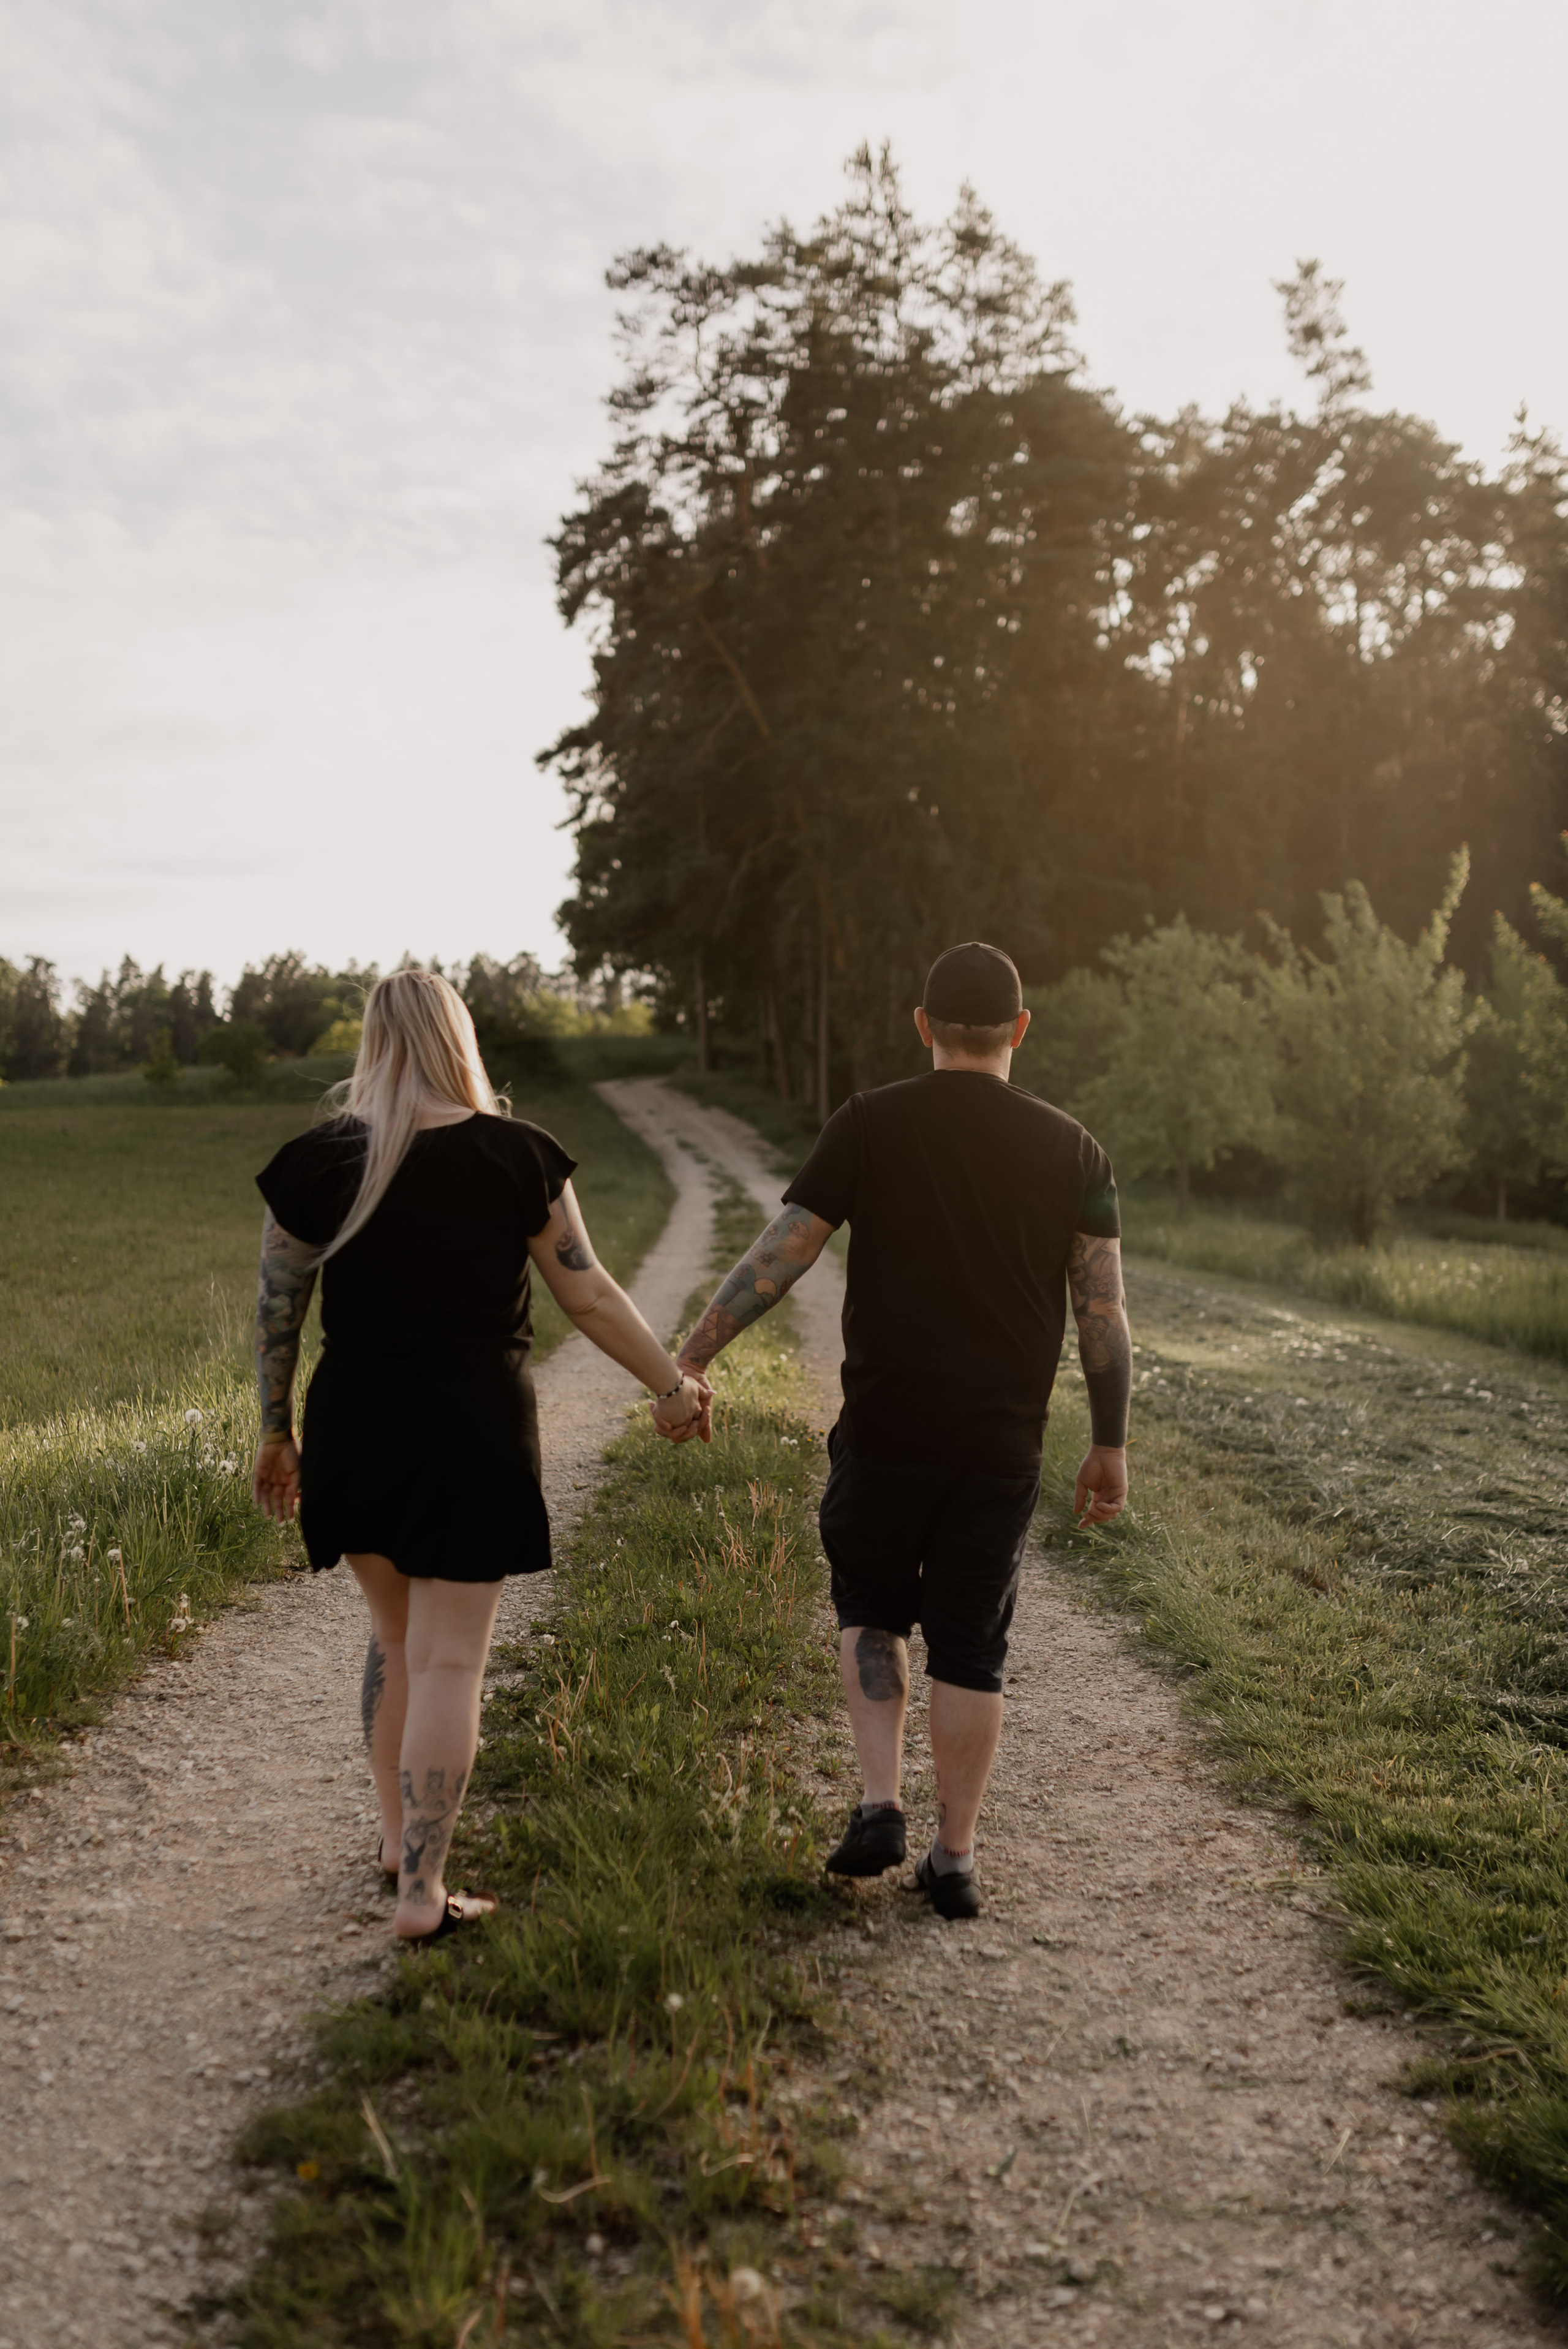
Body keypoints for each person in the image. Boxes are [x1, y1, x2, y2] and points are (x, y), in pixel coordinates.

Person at [671, 941, 1131, 1919]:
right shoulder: (1075, 1149)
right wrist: (1110, 1441)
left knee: (872, 1607)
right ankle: (954, 1858)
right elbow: (1103, 1312)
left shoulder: (871, 1122)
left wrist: (695, 1355)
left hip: (884, 1430)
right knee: (973, 1646)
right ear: (1020, 1029)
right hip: (999, 1447)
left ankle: (880, 1801)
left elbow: (780, 1254)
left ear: (923, 1026)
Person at [249, 968, 710, 1945]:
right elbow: (587, 1296)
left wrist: (275, 1432)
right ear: (459, 1036)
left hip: (356, 1426)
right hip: (472, 1428)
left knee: (395, 1640)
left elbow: (277, 1311)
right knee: (450, 1658)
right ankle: (423, 1892)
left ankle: (393, 1844)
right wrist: (670, 1388)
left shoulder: (317, 1162)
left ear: (373, 1043)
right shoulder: (516, 1155)